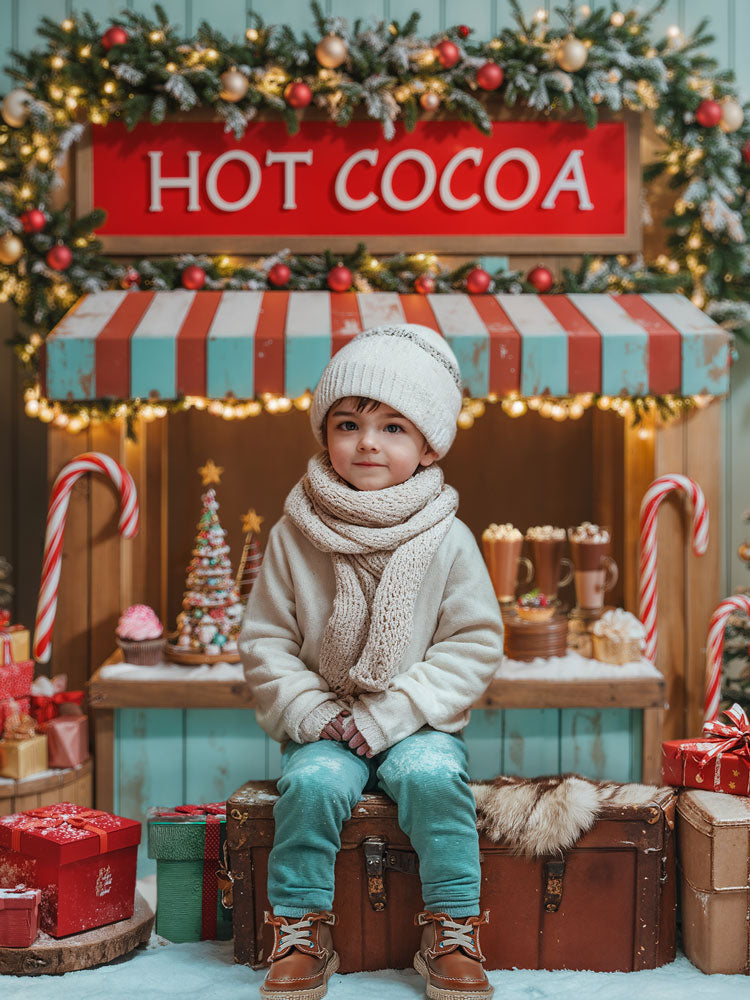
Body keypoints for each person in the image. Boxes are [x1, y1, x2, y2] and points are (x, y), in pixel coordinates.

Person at [240, 323, 504, 1000]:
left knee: (433, 777)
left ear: (426, 445)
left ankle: (451, 927)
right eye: (348, 423)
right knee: (316, 785)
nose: (366, 442)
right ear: (324, 434)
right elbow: (266, 639)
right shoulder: (294, 535)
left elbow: (472, 643)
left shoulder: (448, 538)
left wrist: (396, 712)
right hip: (327, 720)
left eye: (393, 427)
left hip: (414, 719)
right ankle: (302, 928)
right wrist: (315, 712)